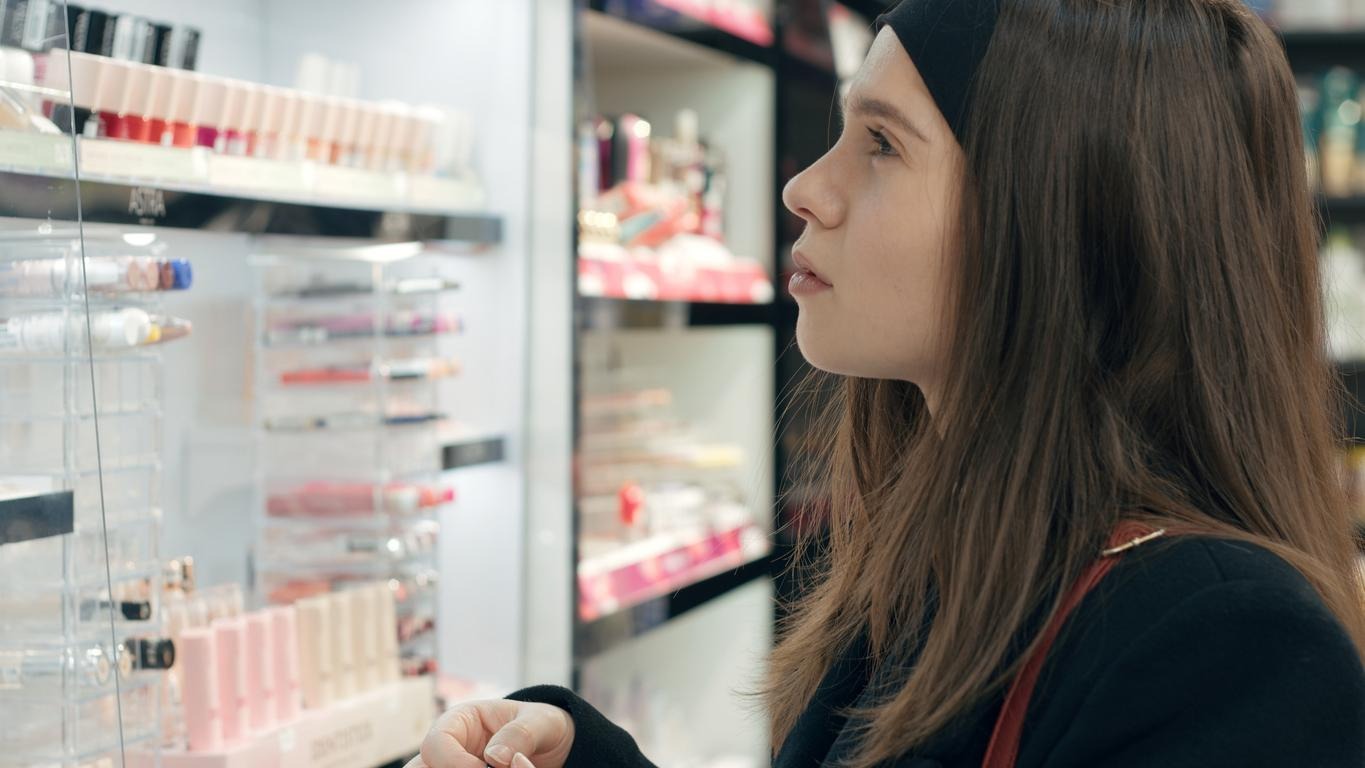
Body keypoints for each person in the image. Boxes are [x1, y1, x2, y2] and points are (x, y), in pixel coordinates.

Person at [408, 0, 1365, 765]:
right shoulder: (961, 553)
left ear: (1055, 218)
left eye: (881, 144)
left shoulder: (1223, 649)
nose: (803, 188)